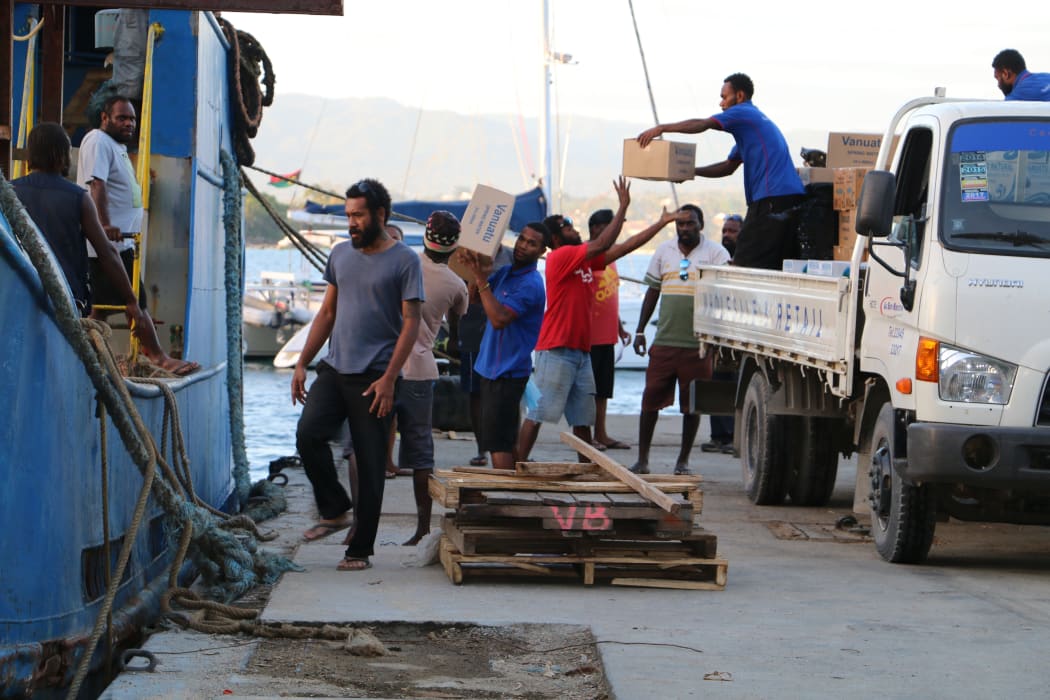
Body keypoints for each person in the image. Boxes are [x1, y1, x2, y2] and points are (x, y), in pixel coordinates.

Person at [292, 178, 423, 571]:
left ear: (380, 215)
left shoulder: (405, 260)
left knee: (369, 465)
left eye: (358, 215)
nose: (351, 222)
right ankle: (334, 510)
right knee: (308, 434)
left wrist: (389, 378)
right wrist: (302, 361)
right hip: (334, 368)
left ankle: (359, 550)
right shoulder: (340, 255)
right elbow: (327, 313)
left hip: (375, 376)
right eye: (348, 215)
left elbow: (411, 323)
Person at [12, 122, 198, 376]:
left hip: (18, 296)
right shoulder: (77, 197)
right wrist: (131, 302)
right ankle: (157, 358)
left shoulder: (10, 192)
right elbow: (107, 253)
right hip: (67, 302)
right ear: (63, 156)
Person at [637, 73, 805, 270]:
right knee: (774, 262)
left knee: (744, 260)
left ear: (740, 96)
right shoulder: (751, 128)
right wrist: (692, 171)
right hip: (788, 197)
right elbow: (727, 167)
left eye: (724, 97)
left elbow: (703, 124)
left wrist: (662, 128)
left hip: (771, 198)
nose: (721, 103)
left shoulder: (743, 112)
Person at [630, 204, 731, 475]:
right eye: (680, 224)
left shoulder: (717, 253)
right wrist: (640, 330)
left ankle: (683, 461)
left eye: (690, 223)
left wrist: (719, 341)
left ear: (701, 224)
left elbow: (725, 297)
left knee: (692, 407)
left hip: (698, 346)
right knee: (649, 401)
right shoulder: (664, 251)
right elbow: (652, 291)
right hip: (664, 342)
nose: (684, 229)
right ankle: (642, 460)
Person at [398, 211, 468, 545]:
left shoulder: (402, 264)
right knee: (422, 455)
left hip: (387, 368)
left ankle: (357, 527)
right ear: (454, 247)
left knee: (366, 447)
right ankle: (422, 527)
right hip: (421, 371)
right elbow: (456, 335)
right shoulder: (456, 285)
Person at [458, 225, 547, 470]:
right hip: (492, 369)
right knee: (506, 440)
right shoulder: (507, 272)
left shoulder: (530, 284)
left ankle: (505, 496)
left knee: (498, 444)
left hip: (506, 373)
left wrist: (482, 280)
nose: (523, 245)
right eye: (521, 239)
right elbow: (475, 298)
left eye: (531, 243)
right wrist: (478, 271)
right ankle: (518, 491)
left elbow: (498, 319)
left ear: (542, 251)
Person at [77, 95, 147, 320]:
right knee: (136, 302)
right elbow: (97, 183)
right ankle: (156, 355)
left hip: (119, 244)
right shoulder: (98, 140)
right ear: (105, 118)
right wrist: (104, 224)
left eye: (133, 119)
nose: (130, 123)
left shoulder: (115, 146)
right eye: (122, 118)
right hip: (107, 245)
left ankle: (91, 354)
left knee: (101, 307)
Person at [456, 243, 514, 466]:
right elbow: (460, 294)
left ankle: (509, 447)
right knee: (476, 392)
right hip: (472, 328)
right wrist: (454, 333)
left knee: (507, 390)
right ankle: (482, 448)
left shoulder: (510, 255)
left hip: (502, 329)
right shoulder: (466, 252)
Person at [587, 208, 632, 451]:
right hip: (589, 335)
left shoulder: (611, 257)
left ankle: (601, 433)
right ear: (595, 228)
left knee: (604, 389)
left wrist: (620, 327)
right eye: (609, 227)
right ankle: (587, 436)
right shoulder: (589, 256)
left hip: (607, 335)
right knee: (588, 390)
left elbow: (608, 297)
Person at [701, 213, 742, 454]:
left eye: (732, 231)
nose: (727, 235)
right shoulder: (717, 258)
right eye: (725, 231)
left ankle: (733, 437)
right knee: (716, 381)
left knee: (735, 385)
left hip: (739, 332)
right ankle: (718, 436)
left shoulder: (748, 258)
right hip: (718, 332)